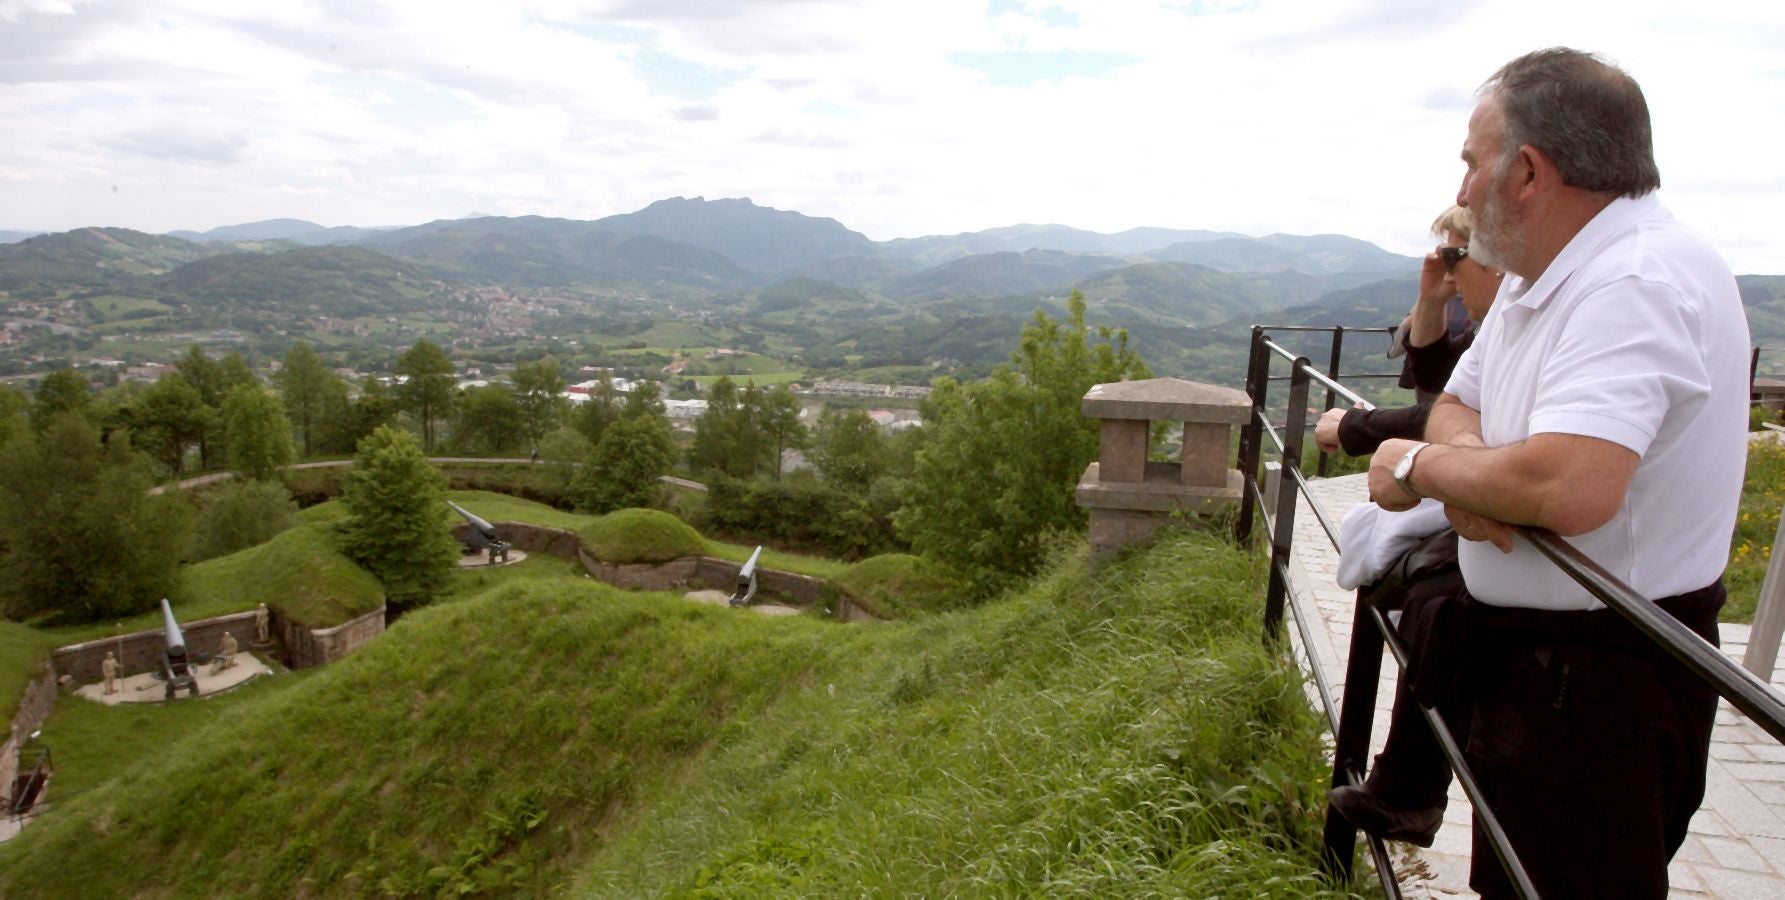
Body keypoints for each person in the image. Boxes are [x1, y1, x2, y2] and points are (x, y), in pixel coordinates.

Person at [1364, 48, 1749, 898]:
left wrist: (1419, 467)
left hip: (1603, 686)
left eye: (1471, 163)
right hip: (1550, 675)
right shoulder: (1555, 276)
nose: (1461, 191)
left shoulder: (1632, 280)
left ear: (1528, 170)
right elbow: (1454, 403)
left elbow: (1567, 488)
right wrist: (1471, 474)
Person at [1315, 205, 1503, 457]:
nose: (1448, 274)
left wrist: (1353, 426)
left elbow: (1459, 408)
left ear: (1492, 257)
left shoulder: (1520, 326)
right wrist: (1431, 301)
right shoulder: (1501, 323)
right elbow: (1436, 379)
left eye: (1451, 257)